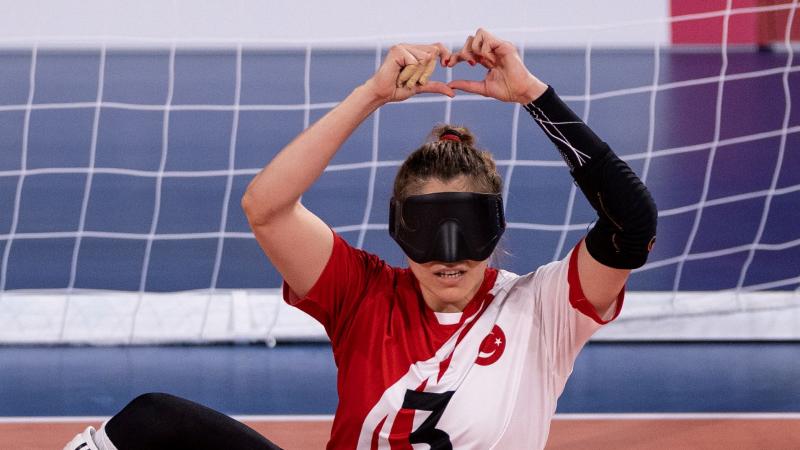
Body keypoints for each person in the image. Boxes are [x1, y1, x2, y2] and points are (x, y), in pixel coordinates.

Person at [65, 28, 656, 450]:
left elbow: (631, 223)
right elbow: (266, 208)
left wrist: (534, 97)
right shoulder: (364, 294)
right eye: (427, 232)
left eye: (468, 231)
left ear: (496, 229)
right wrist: (371, 94)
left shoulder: (546, 308)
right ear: (401, 231)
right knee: (153, 420)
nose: (449, 257)